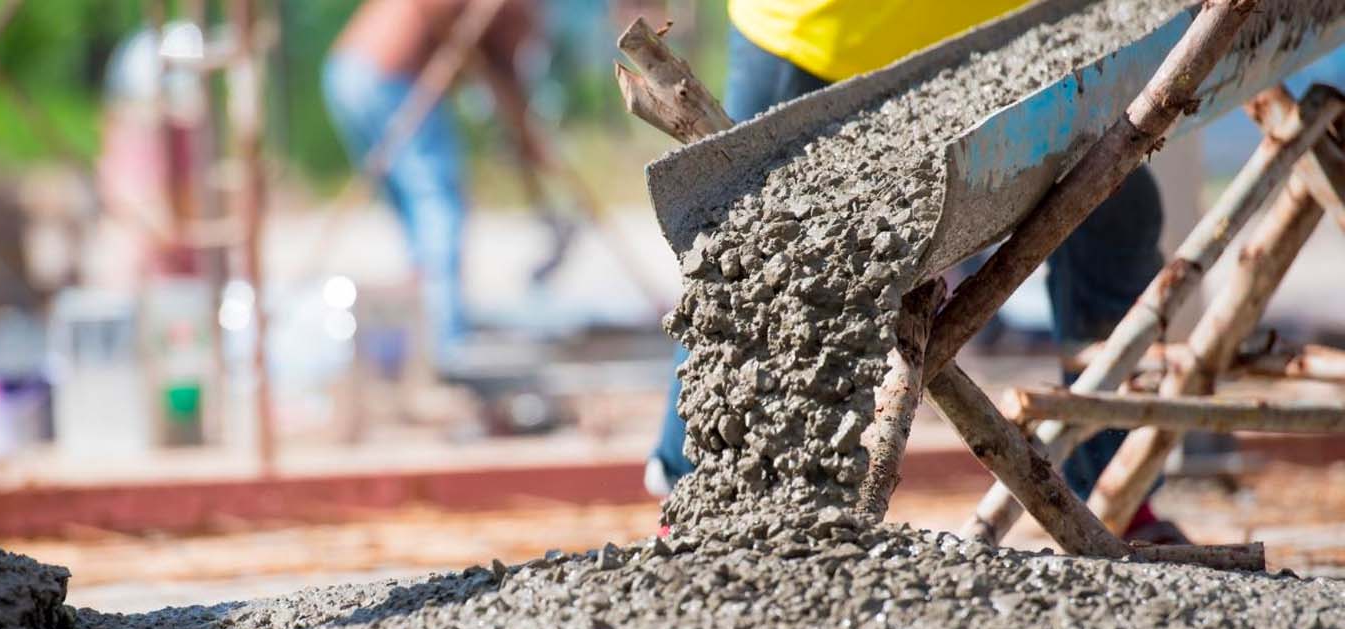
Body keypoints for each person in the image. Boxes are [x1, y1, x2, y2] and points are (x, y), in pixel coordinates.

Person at [646, 0, 1189, 544]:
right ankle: (698, 500)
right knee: (749, 263)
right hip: (821, 36)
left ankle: (1120, 492)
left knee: (1116, 216)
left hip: (1010, 42)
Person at [322, 0, 537, 372]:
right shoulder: (510, 9)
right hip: (388, 74)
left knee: (418, 218)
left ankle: (422, 332)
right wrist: (527, 138)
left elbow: (499, 69)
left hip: (348, 71)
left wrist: (525, 140)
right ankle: (444, 344)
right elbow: (504, 65)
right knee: (439, 204)